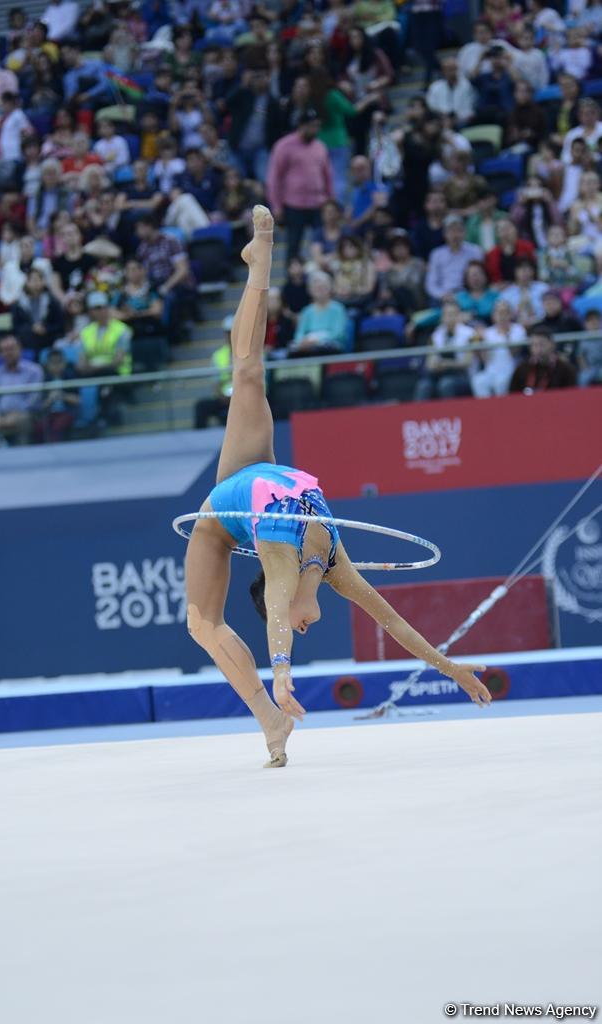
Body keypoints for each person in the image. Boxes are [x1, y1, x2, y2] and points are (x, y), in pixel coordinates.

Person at [184, 205, 491, 769]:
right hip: (254, 484)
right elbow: (393, 620)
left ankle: (260, 259)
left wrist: (282, 675)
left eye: (300, 628)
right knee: (201, 622)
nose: (306, 626)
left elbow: (279, 608)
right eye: (302, 627)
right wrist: (452, 667)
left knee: (247, 370)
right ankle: (268, 720)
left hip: (230, 501)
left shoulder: (279, 554)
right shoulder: (333, 564)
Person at [267, 109, 334, 264]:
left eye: (317, 126)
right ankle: (293, 281)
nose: (315, 130)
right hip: (294, 204)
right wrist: (276, 205)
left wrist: (331, 200)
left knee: (323, 242)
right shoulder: (284, 146)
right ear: (301, 126)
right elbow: (274, 178)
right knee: (294, 245)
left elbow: (327, 176)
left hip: (319, 203)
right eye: (311, 126)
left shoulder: (320, 147)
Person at [0, 335, 44, 445]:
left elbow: (34, 399)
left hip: (27, 414)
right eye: (4, 350)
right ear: (0, 354)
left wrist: (16, 415)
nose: (8, 353)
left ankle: (25, 458)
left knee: (22, 421)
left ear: (20, 349)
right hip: (0, 416)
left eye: (12, 349)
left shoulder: (34, 370)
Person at [415, 297, 474, 400]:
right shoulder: (436, 335)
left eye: (453, 314)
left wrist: (446, 364)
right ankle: (419, 415)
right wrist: (435, 365)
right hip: (440, 373)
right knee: (423, 385)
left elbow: (467, 362)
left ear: (459, 315)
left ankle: (452, 415)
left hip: (463, 375)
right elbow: (429, 363)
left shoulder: (470, 333)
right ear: (442, 317)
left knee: (446, 384)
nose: (449, 317)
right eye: (446, 314)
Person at [470, 299, 523, 398]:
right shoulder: (488, 332)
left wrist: (506, 333)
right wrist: (480, 342)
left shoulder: (518, 329)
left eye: (504, 312)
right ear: (493, 315)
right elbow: (485, 359)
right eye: (498, 312)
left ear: (510, 314)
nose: (501, 316)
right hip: (491, 371)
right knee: (478, 381)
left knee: (500, 383)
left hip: (511, 370)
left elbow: (514, 353)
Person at [425, 216, 483, 303]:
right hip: (444, 295)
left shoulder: (475, 251)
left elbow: (481, 277)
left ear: (464, 232)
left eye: (459, 230)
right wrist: (442, 295)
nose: (455, 235)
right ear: (444, 234)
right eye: (451, 231)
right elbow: (431, 284)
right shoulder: (436, 254)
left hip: (469, 294)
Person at [290, 271, 349, 355]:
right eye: (317, 287)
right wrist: (303, 342)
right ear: (310, 290)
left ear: (330, 288)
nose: (320, 290)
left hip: (329, 348)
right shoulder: (306, 311)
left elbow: (338, 333)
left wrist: (317, 340)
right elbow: (299, 335)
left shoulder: (338, 309)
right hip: (307, 348)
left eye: (323, 287)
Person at [194, 315, 233, 429]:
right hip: (225, 399)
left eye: (233, 331)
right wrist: (222, 396)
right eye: (228, 332)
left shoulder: (251, 353)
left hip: (246, 399)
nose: (230, 335)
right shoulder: (218, 355)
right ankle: (198, 441)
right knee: (201, 406)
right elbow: (215, 383)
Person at [509, 329, 577, 392]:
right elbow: (513, 395)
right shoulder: (522, 369)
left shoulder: (565, 369)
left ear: (552, 345)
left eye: (542, 345)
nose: (538, 350)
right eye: (535, 345)